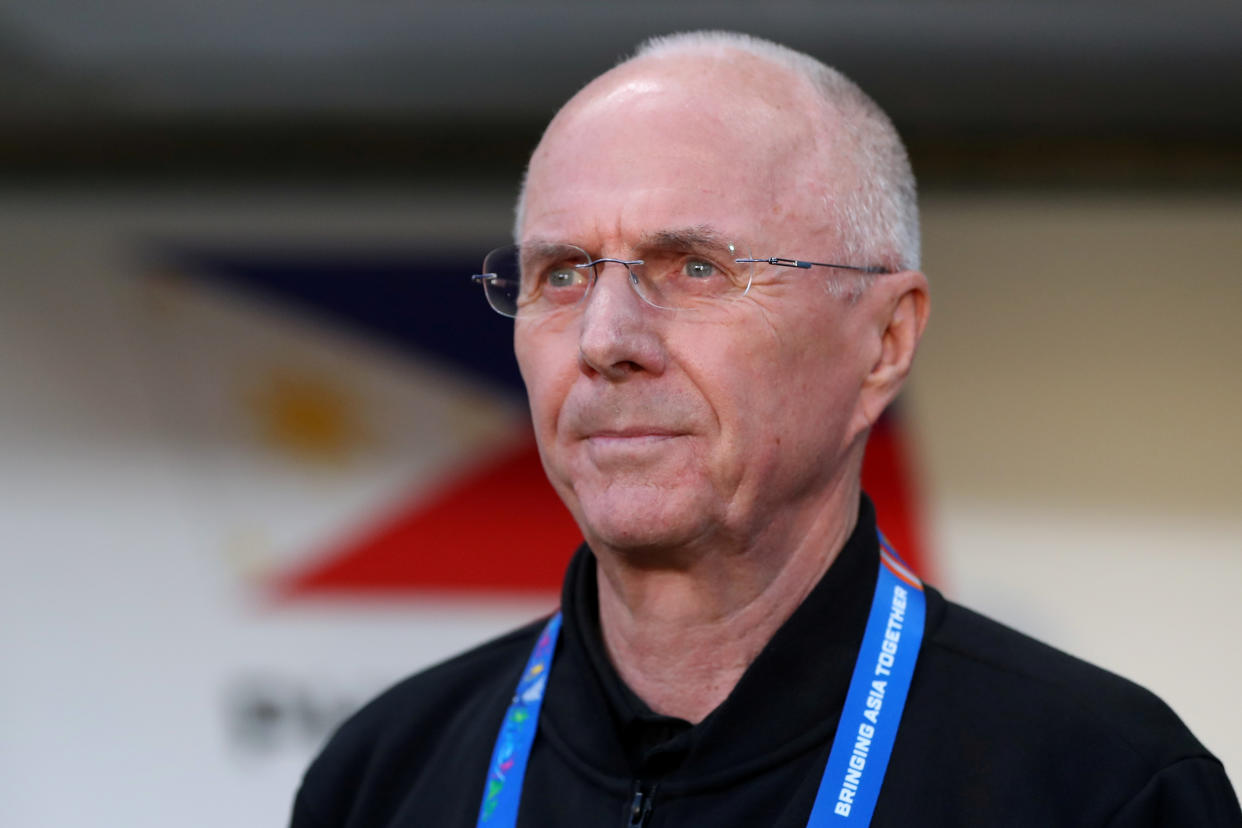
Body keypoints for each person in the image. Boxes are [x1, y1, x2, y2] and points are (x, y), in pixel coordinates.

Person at [290, 31, 1241, 827]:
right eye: (563, 274)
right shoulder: (383, 777)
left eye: (696, 267)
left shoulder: (1099, 789)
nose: (606, 339)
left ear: (884, 342)